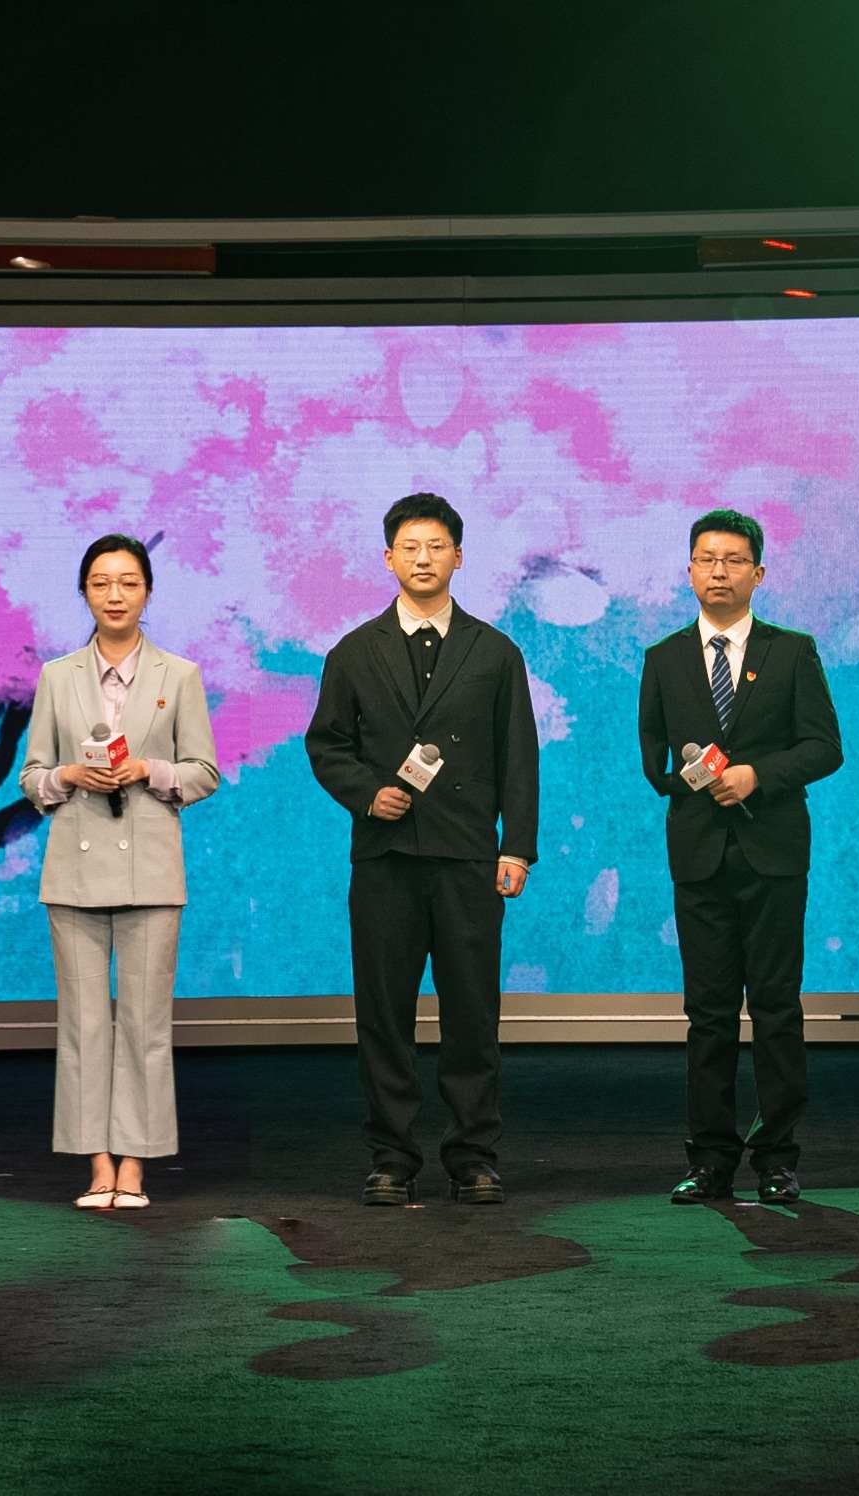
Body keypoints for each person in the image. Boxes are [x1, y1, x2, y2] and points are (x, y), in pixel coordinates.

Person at [304, 493, 540, 1207]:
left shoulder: (495, 651)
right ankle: (391, 1157)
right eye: (410, 547)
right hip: (385, 858)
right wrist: (366, 793)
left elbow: (518, 757)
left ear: (459, 557)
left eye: (437, 546)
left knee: (473, 1014)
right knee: (384, 1016)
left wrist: (517, 849)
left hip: (468, 856)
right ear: (388, 559)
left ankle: (473, 1155)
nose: (423, 558)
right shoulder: (354, 651)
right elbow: (327, 745)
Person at [637, 510, 843, 1205]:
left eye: (732, 560)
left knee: (777, 1008)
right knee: (709, 1014)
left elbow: (825, 748)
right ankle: (711, 1160)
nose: (718, 571)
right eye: (706, 559)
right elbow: (653, 760)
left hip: (774, 854)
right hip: (699, 856)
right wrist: (692, 779)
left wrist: (758, 775)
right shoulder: (664, 658)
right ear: (689, 571)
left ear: (758, 573)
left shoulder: (792, 651)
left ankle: (778, 1158)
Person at [20, 534, 221, 1210]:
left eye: (128, 582)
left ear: (147, 591)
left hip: (151, 869)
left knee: (143, 1023)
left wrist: (149, 770)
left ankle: (135, 1165)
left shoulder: (179, 676)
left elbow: (205, 771)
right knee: (82, 1024)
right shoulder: (58, 676)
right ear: (84, 592)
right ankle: (97, 1164)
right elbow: (32, 776)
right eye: (102, 583)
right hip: (74, 871)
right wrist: (69, 777)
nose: (115, 595)